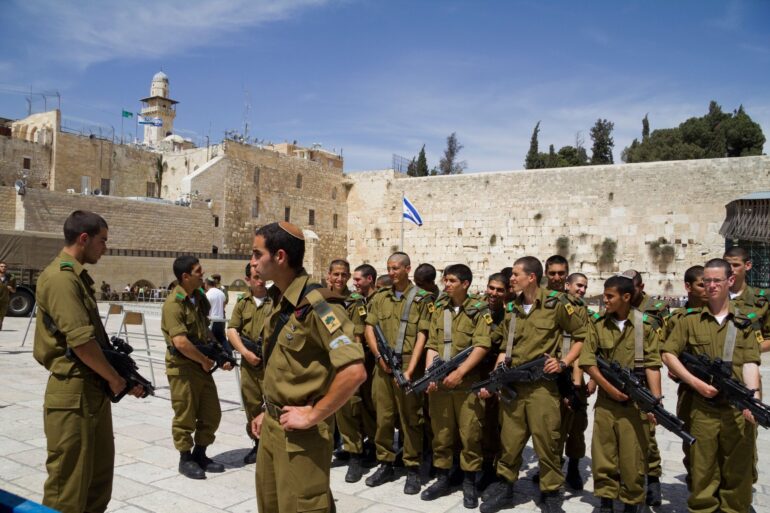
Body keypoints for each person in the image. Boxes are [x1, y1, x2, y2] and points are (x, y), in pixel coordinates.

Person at [33, 210, 144, 513]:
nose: (105, 247)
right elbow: (81, 343)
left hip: (92, 390)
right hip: (73, 393)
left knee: (97, 484)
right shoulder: (61, 279)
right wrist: (115, 380)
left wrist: (123, 377)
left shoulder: (77, 278)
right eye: (102, 240)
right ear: (84, 238)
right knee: (67, 490)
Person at [250, 222, 366, 513]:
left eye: (257, 254)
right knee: (271, 505)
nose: (252, 261)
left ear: (279, 256)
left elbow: (354, 371)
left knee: (303, 507)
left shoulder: (320, 306)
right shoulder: (279, 300)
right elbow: (285, 367)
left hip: (301, 436)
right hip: (273, 425)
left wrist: (314, 414)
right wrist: (268, 409)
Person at [479, 256, 587, 513]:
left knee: (547, 442)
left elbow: (582, 336)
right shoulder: (512, 308)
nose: (511, 279)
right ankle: (506, 487)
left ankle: (551, 493)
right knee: (510, 441)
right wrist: (494, 378)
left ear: (531, 277)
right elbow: (504, 348)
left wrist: (563, 362)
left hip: (542, 388)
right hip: (514, 386)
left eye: (516, 274)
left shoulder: (556, 304)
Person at [662, 258, 761, 513]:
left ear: (730, 281)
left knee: (738, 473)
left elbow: (751, 363)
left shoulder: (744, 322)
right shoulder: (689, 320)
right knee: (702, 472)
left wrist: (754, 402)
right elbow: (669, 354)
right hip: (703, 409)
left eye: (717, 280)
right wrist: (696, 383)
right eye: (707, 281)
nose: (711, 285)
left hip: (736, 411)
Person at [580, 275, 662, 513]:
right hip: (607, 403)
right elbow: (588, 361)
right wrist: (609, 389)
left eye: (610, 296)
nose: (604, 300)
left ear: (626, 297)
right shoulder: (598, 324)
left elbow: (653, 365)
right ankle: (606, 501)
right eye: (604, 295)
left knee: (632, 458)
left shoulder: (644, 326)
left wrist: (655, 402)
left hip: (635, 404)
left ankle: (631, 502)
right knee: (603, 454)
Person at [421, 264, 492, 508]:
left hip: (466, 385)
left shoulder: (479, 310)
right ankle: (443, 478)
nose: (447, 284)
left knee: (470, 435)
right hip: (441, 385)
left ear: (465, 284)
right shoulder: (440, 307)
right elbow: (432, 343)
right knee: (441, 434)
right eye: (445, 280)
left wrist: (460, 372)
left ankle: (469, 482)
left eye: (452, 280)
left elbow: (482, 345)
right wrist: (430, 374)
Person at [364, 251, 433, 495]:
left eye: (396, 268)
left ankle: (412, 467)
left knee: (411, 418)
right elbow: (369, 327)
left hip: (407, 364)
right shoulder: (381, 297)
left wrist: (411, 369)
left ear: (407, 269)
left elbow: (423, 335)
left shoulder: (422, 299)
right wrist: (378, 356)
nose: (391, 272)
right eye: (389, 268)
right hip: (383, 366)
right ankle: (385, 463)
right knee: (383, 417)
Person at [162, 255, 233, 480]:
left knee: (211, 413)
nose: (203, 274)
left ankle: (200, 454)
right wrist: (204, 360)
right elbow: (180, 342)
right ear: (185, 276)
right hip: (183, 367)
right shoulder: (174, 304)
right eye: (198, 271)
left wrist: (218, 352)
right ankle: (185, 458)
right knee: (185, 414)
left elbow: (205, 328)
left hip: (201, 365)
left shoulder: (199, 298)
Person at [622, 269, 667, 506]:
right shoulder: (619, 305)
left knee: (647, 432)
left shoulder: (656, 309)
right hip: (621, 374)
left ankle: (653, 477)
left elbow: (663, 341)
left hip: (645, 374)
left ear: (641, 286)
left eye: (632, 288)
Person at [543, 255, 587, 491]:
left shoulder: (577, 306)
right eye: (552, 273)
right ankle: (552, 468)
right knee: (550, 427)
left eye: (561, 273)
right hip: (547, 374)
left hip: (571, 370)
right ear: (546, 274)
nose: (557, 278)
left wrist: (578, 384)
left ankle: (573, 468)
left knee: (576, 426)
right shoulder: (539, 301)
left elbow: (583, 345)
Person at [664, 265, 707, 490]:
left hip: (718, 389)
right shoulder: (677, 318)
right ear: (688, 287)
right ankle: (695, 485)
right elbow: (665, 349)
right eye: (702, 284)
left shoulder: (722, 315)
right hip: (689, 389)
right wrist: (675, 368)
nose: (707, 288)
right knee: (690, 438)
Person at [336, 263, 379, 482]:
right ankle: (351, 448)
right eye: (335, 274)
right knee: (344, 408)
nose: (340, 279)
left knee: (360, 405)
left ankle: (360, 452)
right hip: (336, 361)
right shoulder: (323, 301)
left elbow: (358, 335)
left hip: (357, 360)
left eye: (344, 275)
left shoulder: (357, 302)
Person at [227, 262, 271, 465]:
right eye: (256, 277)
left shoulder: (275, 300)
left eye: (262, 277)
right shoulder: (243, 303)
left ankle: (274, 445)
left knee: (274, 404)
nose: (260, 281)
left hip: (271, 364)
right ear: (248, 280)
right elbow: (232, 330)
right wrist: (245, 352)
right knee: (252, 404)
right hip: (250, 364)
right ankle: (258, 444)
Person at [205, 275, 230, 353]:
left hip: (211, 322)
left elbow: (206, 309)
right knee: (222, 339)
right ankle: (229, 354)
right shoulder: (221, 293)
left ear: (206, 284)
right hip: (220, 320)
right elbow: (223, 306)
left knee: (211, 341)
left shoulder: (207, 294)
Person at [0, 260, 17, 330]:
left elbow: (14, 291)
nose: (3, 268)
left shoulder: (11, 278)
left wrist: (10, 288)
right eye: (1, 266)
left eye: (5, 267)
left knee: (1, 316)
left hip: (4, 300)